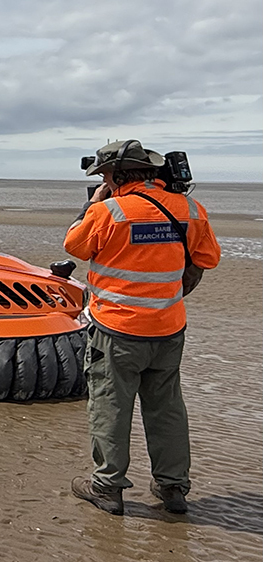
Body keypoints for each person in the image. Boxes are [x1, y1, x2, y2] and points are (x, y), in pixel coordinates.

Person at [64, 140, 220, 515]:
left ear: (115, 175)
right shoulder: (191, 209)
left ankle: (107, 487)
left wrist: (93, 204)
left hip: (115, 330)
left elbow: (74, 245)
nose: (103, 181)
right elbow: (207, 258)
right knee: (166, 408)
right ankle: (173, 488)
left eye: (104, 176)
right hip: (168, 328)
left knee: (111, 407)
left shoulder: (108, 212)